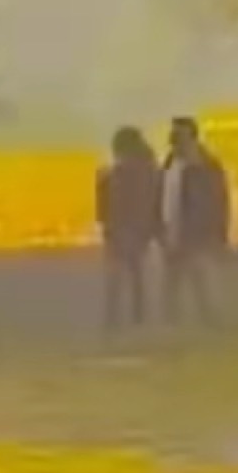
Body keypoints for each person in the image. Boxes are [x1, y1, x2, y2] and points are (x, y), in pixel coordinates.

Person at [161, 115, 231, 324]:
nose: (173, 137)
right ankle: (174, 323)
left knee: (203, 279)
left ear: (190, 136)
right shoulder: (171, 162)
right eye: (173, 133)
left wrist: (220, 232)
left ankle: (212, 321)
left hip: (199, 232)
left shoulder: (207, 165)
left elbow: (220, 200)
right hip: (173, 230)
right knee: (172, 282)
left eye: (178, 133)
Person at [94, 125, 163, 329]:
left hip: (121, 229)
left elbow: (106, 207)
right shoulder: (149, 170)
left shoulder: (114, 173)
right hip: (137, 230)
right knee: (135, 276)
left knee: (118, 278)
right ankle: (136, 318)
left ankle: (115, 320)